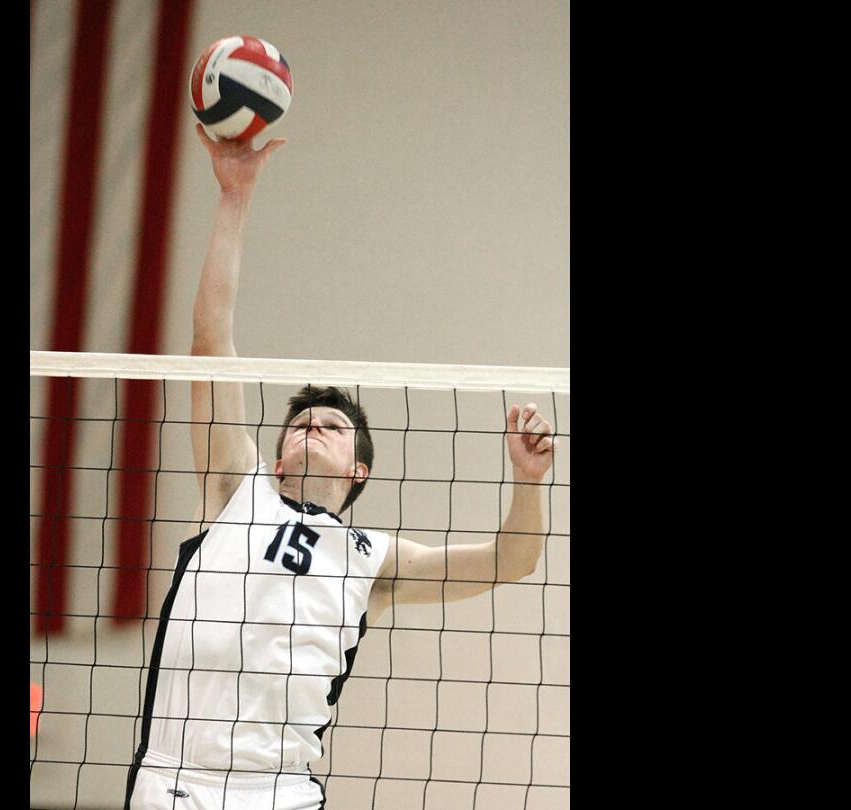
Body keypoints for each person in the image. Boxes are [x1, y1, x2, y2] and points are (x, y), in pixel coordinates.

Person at [125, 126, 555, 810]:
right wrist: (235, 196)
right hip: (175, 784)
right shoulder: (236, 490)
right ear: (275, 456)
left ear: (357, 470)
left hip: (283, 794)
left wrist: (529, 487)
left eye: (330, 427)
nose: (311, 430)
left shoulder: (373, 560)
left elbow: (510, 561)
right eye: (299, 425)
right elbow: (211, 337)